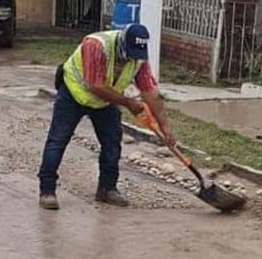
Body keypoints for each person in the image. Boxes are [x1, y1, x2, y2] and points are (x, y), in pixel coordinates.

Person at [37, 22, 175, 210]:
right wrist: (128, 102)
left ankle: (107, 189)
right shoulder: (96, 45)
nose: (131, 60)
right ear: (122, 41)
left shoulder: (139, 57)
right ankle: (47, 191)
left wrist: (165, 127)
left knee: (112, 141)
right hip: (73, 94)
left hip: (104, 102)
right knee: (58, 140)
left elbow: (150, 91)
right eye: (130, 53)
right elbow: (96, 85)